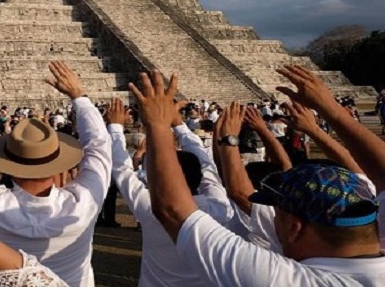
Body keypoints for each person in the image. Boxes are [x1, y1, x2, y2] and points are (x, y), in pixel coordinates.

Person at [129, 68, 385, 286]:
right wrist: (328, 117)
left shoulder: (283, 279)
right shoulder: (366, 212)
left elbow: (174, 210)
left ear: (294, 227)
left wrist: (158, 124)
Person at [0, 55, 111, 286]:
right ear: (59, 162)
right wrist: (79, 95)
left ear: (9, 165)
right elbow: (99, 145)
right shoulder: (84, 204)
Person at [109, 96, 232, 286]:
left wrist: (115, 127)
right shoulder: (220, 207)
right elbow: (207, 166)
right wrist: (179, 125)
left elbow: (121, 169)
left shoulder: (149, 207)